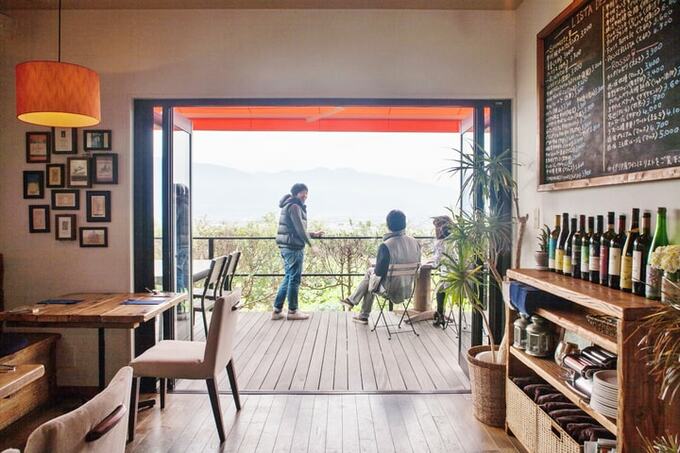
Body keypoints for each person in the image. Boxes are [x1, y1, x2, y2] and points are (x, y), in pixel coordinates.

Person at [339, 210, 421, 324]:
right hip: (407, 289)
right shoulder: (415, 243)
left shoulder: (386, 245)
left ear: (388, 225)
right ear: (404, 224)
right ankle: (356, 307)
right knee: (371, 278)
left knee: (370, 276)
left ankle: (357, 307)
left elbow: (378, 273)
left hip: (390, 290)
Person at [273, 183, 323, 320]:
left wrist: (312, 234)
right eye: (302, 193)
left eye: (306, 193)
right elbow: (300, 229)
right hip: (293, 248)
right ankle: (293, 311)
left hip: (286, 246)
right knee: (294, 279)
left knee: (288, 277)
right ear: (295, 193)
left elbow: (295, 229)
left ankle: (277, 311)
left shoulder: (289, 205)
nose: (305, 195)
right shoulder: (294, 206)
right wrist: (311, 244)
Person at [430, 215, 452, 328]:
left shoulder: (441, 242)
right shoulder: (458, 240)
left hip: (450, 279)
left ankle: (440, 315)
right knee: (441, 286)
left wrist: (431, 261)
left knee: (440, 289)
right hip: (465, 280)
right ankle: (440, 314)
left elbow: (436, 264)